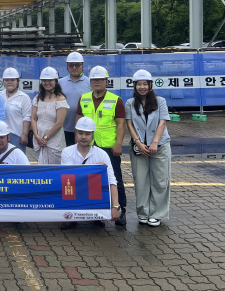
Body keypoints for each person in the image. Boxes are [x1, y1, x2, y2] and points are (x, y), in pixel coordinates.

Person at [75, 65, 127, 226]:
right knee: (92, 180)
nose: (97, 82)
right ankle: (97, 212)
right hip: (88, 145)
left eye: (100, 80)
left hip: (108, 146)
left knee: (115, 178)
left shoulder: (115, 100)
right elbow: (78, 120)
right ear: (90, 81)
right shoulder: (83, 98)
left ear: (106, 81)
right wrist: (79, 139)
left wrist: (118, 144)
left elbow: (120, 124)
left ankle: (121, 209)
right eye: (94, 80)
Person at [125, 69, 171, 227]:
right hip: (139, 148)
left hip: (160, 146)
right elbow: (129, 124)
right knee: (141, 181)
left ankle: (156, 213)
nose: (142, 87)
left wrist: (155, 143)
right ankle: (143, 212)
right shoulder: (130, 103)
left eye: (145, 84)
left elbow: (162, 122)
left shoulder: (161, 101)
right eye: (139, 84)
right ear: (135, 86)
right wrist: (137, 142)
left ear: (150, 85)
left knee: (160, 180)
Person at [60, 117, 121, 229]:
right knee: (67, 182)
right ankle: (71, 216)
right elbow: (70, 176)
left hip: (94, 192)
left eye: (87, 134)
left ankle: (97, 214)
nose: (83, 136)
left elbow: (112, 181)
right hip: (74, 190)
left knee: (101, 178)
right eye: (80, 133)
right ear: (75, 133)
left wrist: (116, 206)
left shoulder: (102, 154)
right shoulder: (66, 152)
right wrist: (95, 169)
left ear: (93, 135)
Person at [32, 67, 68, 165]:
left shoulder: (60, 99)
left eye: (50, 80)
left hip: (54, 142)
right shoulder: (37, 98)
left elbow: (59, 123)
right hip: (39, 140)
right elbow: (34, 118)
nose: (47, 83)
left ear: (56, 81)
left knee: (54, 170)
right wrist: (37, 136)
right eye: (44, 80)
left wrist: (46, 138)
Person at [58, 52, 91, 147]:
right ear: (67, 67)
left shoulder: (90, 83)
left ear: (83, 66)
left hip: (84, 130)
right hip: (63, 128)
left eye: (77, 65)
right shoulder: (60, 83)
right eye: (71, 65)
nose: (74, 68)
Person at [0, 67, 32, 154]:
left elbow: (27, 118)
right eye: (7, 80)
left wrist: (24, 135)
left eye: (13, 80)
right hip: (0, 135)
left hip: (17, 136)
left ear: (18, 82)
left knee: (17, 162)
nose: (9, 82)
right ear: (3, 81)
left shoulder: (24, 97)